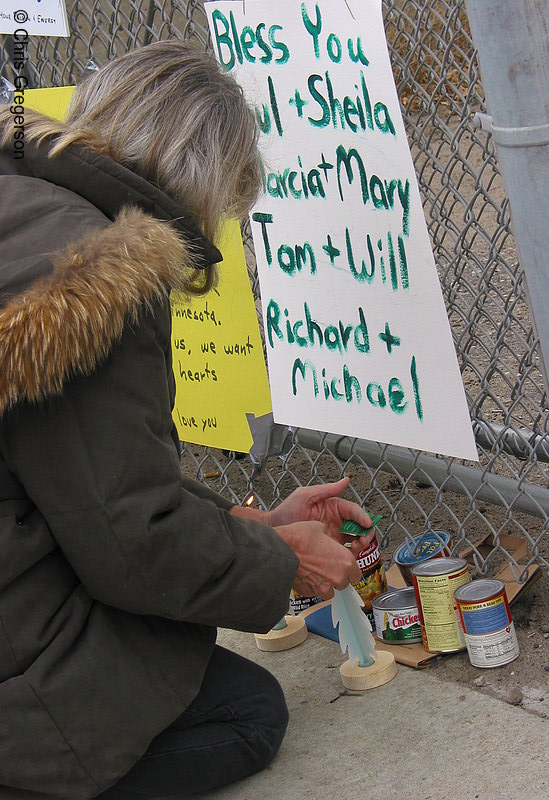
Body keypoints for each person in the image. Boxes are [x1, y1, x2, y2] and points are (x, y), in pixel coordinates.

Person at [0, 41, 375, 799]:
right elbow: (127, 542)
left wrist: (252, 525)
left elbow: (78, 481)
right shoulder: (97, 282)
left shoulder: (22, 197)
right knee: (246, 713)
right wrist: (285, 565)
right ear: (202, 183)